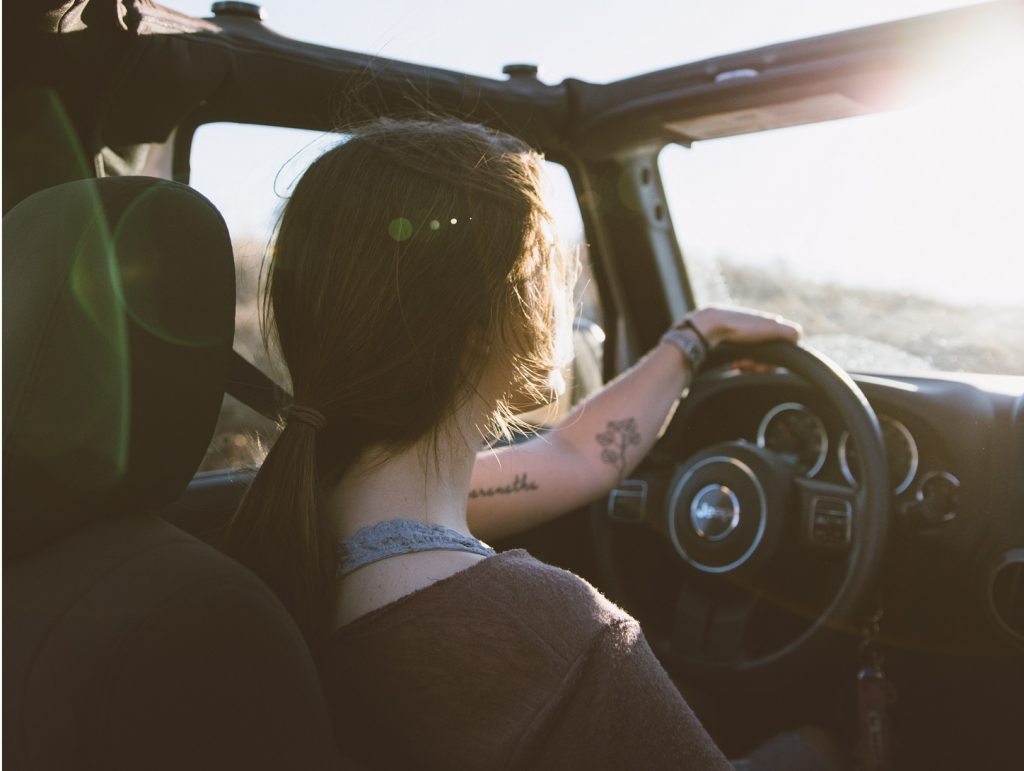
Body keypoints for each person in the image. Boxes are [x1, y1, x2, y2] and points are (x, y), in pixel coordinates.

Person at [223, 118, 833, 769]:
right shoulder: (552, 639)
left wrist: (692, 338)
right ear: (485, 325)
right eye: (544, 267)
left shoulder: (291, 516)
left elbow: (571, 458)